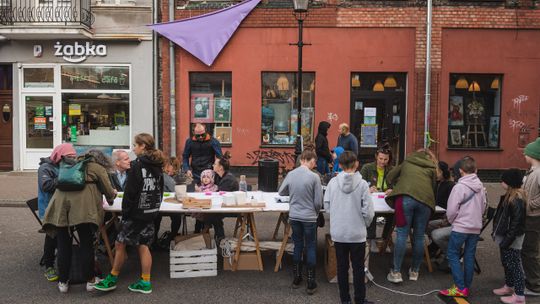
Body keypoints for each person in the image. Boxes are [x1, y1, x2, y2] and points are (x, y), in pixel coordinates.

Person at [95, 133, 164, 294]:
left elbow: (130, 194)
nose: (133, 148)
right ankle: (145, 281)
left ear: (143, 146)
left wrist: (125, 213)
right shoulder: (157, 165)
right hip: (150, 211)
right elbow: (159, 189)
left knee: (120, 244)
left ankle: (112, 279)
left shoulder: (137, 166)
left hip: (135, 213)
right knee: (144, 245)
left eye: (135, 145)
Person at [42, 149, 116, 293]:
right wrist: (111, 199)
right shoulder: (98, 168)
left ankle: (63, 282)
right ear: (102, 160)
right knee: (86, 244)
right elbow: (108, 191)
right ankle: (90, 280)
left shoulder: (70, 164)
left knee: (63, 244)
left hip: (61, 207)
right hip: (83, 210)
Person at [324, 151, 375, 304]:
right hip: (356, 232)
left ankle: (344, 299)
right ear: (356, 164)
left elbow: (327, 206)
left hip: (339, 232)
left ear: (339, 165)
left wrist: (336, 218)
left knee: (342, 267)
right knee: (358, 268)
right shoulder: (363, 184)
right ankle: (359, 299)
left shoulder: (333, 183)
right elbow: (369, 211)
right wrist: (363, 224)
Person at [385, 149, 437, 283]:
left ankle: (396, 273)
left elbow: (390, 176)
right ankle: (415, 271)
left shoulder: (408, 162)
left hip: (406, 198)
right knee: (419, 236)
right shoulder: (432, 167)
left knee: (402, 234)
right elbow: (433, 188)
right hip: (425, 201)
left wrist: (397, 185)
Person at [440, 156, 486, 298]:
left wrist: (453, 221)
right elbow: (484, 206)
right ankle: (466, 286)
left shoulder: (459, 187)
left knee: (452, 254)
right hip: (475, 227)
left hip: (461, 227)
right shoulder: (480, 186)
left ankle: (460, 287)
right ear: (475, 170)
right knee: (469, 255)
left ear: (460, 171)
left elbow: (452, 209)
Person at [278, 149, 323, 295]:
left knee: (297, 245)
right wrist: (315, 213)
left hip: (295, 216)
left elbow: (281, 192)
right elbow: (318, 202)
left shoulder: (291, 174)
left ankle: (297, 278)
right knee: (310, 246)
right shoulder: (314, 177)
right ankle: (311, 281)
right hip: (309, 217)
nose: (314, 165)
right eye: (314, 162)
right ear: (308, 160)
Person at [37, 143, 77, 282]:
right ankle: (49, 266)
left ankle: (67, 261)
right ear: (60, 156)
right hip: (50, 209)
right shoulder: (45, 168)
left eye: (74, 156)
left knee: (68, 233)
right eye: (69, 157)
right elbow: (46, 185)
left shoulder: (66, 166)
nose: (73, 159)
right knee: (52, 235)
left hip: (66, 208)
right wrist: (66, 177)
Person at [492, 169, 527, 304]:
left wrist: (507, 241)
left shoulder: (516, 199)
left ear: (510, 183)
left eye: (503, 180)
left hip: (512, 238)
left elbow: (516, 224)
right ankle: (509, 286)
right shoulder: (508, 196)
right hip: (506, 236)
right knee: (507, 263)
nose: (501, 182)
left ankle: (519, 296)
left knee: (514, 265)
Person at [182, 123, 222, 233]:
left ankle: (206, 227)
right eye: (197, 135)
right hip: (194, 173)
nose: (200, 137)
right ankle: (198, 229)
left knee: (207, 200)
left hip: (208, 175)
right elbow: (185, 157)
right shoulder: (189, 142)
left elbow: (219, 156)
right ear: (194, 133)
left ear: (206, 132)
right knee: (196, 200)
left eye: (202, 134)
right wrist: (187, 169)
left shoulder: (213, 141)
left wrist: (215, 169)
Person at [361, 145, 394, 253]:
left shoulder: (392, 170)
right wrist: (368, 188)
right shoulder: (367, 168)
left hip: (386, 202)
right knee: (371, 214)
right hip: (372, 201)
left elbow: (397, 185)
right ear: (376, 157)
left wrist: (392, 190)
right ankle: (372, 239)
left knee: (393, 216)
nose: (383, 161)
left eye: (385, 159)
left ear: (389, 159)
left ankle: (386, 239)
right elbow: (360, 184)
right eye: (380, 158)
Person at [202, 152, 239, 243]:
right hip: (225, 204)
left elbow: (219, 197)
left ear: (220, 167)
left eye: (215, 164)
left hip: (232, 206)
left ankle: (220, 237)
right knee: (206, 213)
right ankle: (208, 234)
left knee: (212, 214)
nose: (213, 165)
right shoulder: (220, 177)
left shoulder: (228, 179)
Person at [427, 161, 456, 266]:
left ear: (444, 172)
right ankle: (435, 246)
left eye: (437, 172)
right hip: (437, 213)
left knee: (426, 224)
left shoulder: (451, 186)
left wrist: (445, 219)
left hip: (445, 216)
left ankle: (445, 250)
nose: (435, 174)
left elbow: (452, 207)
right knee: (425, 225)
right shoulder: (438, 183)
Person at [522, 137, 540, 296]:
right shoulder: (533, 172)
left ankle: (535, 286)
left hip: (534, 217)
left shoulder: (538, 173)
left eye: (526, 152)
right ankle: (530, 281)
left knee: (530, 251)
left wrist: (531, 203)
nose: (524, 154)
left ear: (533, 154)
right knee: (528, 250)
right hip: (530, 215)